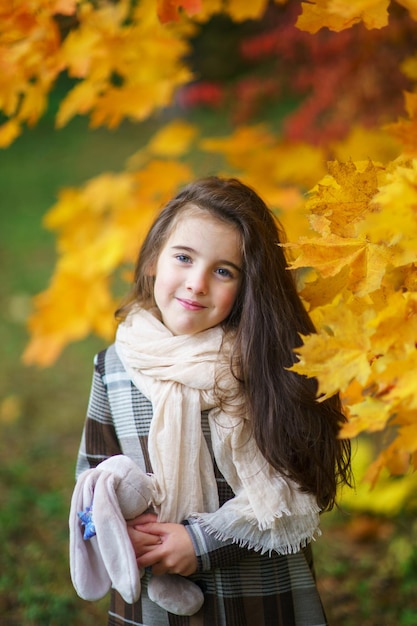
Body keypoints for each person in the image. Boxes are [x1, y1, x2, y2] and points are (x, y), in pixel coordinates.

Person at [74, 176, 351, 626]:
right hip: (152, 596)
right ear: (152, 261)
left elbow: (299, 481)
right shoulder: (115, 366)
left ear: (248, 287)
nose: (197, 283)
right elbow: (93, 475)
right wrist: (119, 530)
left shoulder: (265, 361)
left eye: (224, 271)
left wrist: (199, 543)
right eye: (183, 258)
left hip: (257, 594)